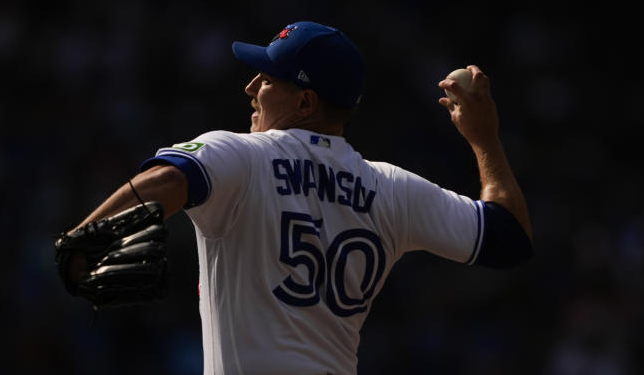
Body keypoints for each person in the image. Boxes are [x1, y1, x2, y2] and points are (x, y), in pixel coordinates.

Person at [64, 20, 533, 374]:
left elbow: (167, 182)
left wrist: (85, 239)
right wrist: (484, 140)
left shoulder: (244, 155)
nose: (251, 88)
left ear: (305, 103)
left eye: (267, 79)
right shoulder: (392, 188)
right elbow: (509, 238)